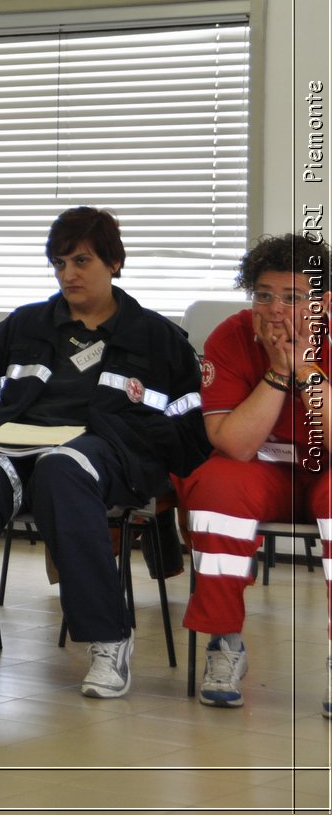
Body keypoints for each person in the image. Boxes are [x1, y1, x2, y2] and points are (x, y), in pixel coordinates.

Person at [0, 207, 208, 698]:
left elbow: (189, 430)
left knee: (62, 470)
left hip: (107, 455)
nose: (68, 274)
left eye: (81, 261)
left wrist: (134, 445)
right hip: (14, 447)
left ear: (113, 262)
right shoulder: (24, 326)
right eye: (59, 263)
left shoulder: (157, 338)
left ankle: (110, 638)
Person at [176, 233, 331, 711]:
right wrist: (278, 373)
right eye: (264, 295)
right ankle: (225, 642)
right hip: (262, 468)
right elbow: (236, 446)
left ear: (323, 304)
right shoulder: (231, 335)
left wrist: (305, 367)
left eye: (293, 298)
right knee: (217, 486)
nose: (275, 310)